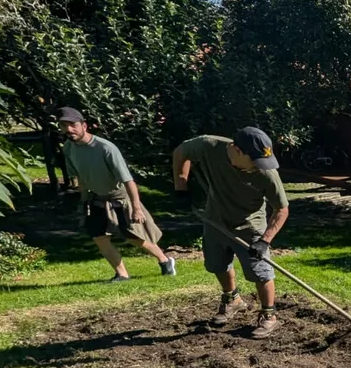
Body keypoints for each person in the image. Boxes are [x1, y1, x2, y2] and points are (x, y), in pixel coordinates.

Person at [172, 127, 289, 339]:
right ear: (236, 150)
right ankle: (232, 299)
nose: (258, 166)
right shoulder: (208, 146)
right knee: (217, 264)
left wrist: (264, 241)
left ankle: (269, 315)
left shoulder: (267, 173)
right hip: (215, 220)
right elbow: (181, 152)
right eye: (253, 160)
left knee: (260, 271)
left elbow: (281, 209)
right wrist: (181, 184)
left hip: (250, 225)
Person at [58, 107, 175, 282]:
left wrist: (137, 208)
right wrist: (83, 202)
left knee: (133, 237)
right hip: (95, 198)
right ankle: (122, 274)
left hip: (119, 198)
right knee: (99, 237)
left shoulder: (105, 148)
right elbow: (80, 177)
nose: (69, 130)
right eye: (64, 126)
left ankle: (165, 261)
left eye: (73, 125)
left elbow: (128, 180)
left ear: (84, 125)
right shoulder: (68, 148)